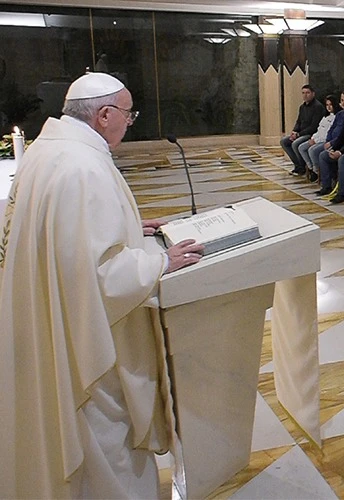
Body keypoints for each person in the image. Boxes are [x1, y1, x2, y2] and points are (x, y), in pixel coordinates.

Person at [0, 72, 204, 498]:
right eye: (128, 115)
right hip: (85, 341)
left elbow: (69, 237)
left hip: (47, 317)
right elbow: (101, 275)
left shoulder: (50, 149)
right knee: (105, 439)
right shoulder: (84, 166)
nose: (131, 122)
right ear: (104, 114)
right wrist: (161, 261)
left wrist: (132, 228)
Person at [280, 84, 326, 175]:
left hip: (310, 134)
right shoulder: (302, 107)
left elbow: (314, 126)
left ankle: (302, 167)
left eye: (308, 93)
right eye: (303, 93)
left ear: (313, 94)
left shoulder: (318, 107)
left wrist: (298, 134)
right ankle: (297, 165)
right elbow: (299, 121)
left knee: (296, 143)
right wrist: (294, 131)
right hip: (301, 132)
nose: (305, 95)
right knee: (284, 141)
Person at [296, 94, 336, 184]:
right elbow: (319, 129)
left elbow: (327, 133)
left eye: (331, 105)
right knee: (301, 147)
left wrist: (316, 141)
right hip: (317, 138)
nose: (329, 107)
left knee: (312, 150)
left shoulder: (335, 117)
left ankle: (317, 172)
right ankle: (311, 169)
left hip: (325, 141)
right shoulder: (325, 117)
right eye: (327, 105)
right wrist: (313, 138)